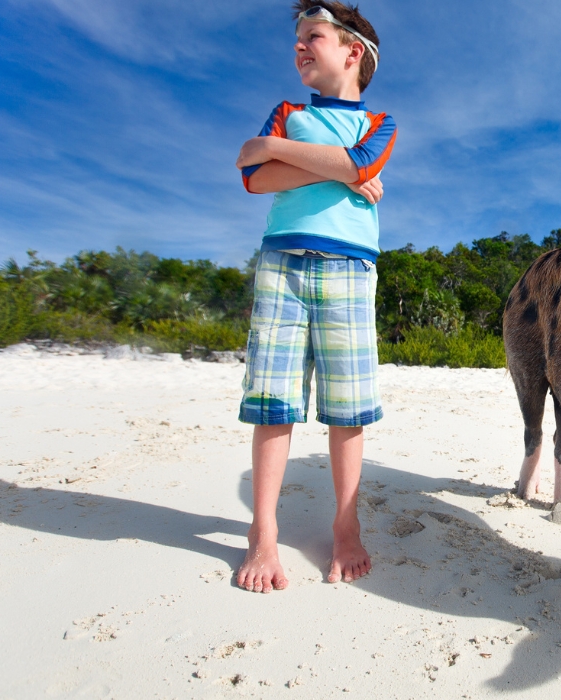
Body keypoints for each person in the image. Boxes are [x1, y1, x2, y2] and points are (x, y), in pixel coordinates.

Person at [232, 0, 396, 593]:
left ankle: (346, 525)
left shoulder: (380, 122)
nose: (300, 46)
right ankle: (263, 531)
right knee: (273, 400)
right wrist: (337, 171)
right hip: (282, 262)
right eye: (298, 38)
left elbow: (362, 158)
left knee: (347, 408)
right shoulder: (287, 112)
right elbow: (250, 171)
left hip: (351, 271)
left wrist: (286, 154)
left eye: (313, 36)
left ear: (352, 52)